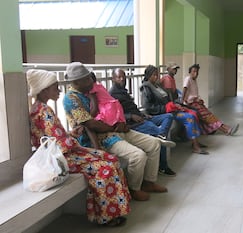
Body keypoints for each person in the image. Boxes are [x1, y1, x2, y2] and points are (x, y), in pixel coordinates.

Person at [26, 69, 130, 227]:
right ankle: (105, 216)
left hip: (63, 151)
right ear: (45, 90)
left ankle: (114, 209)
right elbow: (59, 143)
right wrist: (80, 146)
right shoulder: (44, 111)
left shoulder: (39, 109)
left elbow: (54, 136)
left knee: (111, 159)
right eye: (55, 87)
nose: (59, 90)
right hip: (62, 157)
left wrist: (71, 134)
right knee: (105, 167)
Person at [62, 62, 171, 202]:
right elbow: (90, 124)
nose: (91, 80)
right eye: (87, 79)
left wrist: (121, 122)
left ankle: (149, 182)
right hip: (101, 138)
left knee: (154, 144)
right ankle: (134, 189)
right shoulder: (71, 98)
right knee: (138, 156)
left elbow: (111, 108)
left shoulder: (93, 90)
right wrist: (115, 127)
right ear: (77, 82)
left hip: (114, 128)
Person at [109, 68, 176, 176]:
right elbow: (113, 115)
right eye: (119, 77)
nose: (122, 79)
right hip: (133, 124)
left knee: (168, 117)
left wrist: (143, 115)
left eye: (124, 77)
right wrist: (130, 116)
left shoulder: (123, 91)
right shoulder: (112, 94)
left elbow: (134, 108)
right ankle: (163, 166)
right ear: (113, 79)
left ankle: (161, 134)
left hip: (142, 117)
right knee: (156, 131)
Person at [140, 65, 209, 155]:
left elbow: (168, 98)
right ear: (148, 75)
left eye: (157, 74)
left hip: (170, 109)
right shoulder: (146, 88)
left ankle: (195, 141)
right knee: (189, 117)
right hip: (161, 113)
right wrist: (165, 108)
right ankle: (195, 146)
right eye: (154, 75)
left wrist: (175, 105)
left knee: (193, 113)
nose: (156, 77)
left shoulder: (156, 86)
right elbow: (148, 106)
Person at [182, 64, 239, 136]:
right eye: (193, 71)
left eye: (197, 72)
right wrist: (182, 102)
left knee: (209, 116)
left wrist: (199, 99)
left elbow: (194, 93)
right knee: (209, 117)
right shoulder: (188, 79)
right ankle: (227, 129)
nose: (195, 74)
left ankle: (225, 129)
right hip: (192, 104)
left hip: (196, 102)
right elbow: (184, 89)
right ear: (190, 72)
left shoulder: (194, 80)